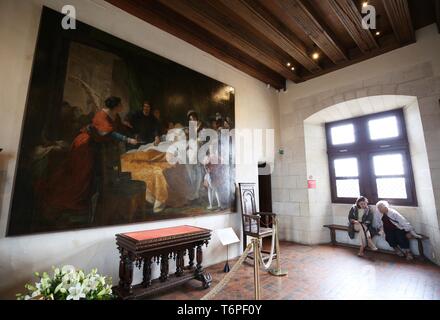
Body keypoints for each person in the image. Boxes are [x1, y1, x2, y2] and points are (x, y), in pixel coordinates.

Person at [38, 96, 138, 214]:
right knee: (82, 174)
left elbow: (119, 127)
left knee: (93, 174)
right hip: (85, 145)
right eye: (120, 104)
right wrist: (127, 139)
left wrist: (132, 132)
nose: (122, 106)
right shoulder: (101, 116)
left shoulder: (115, 115)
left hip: (96, 146)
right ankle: (76, 200)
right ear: (115, 106)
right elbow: (109, 133)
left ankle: (88, 201)